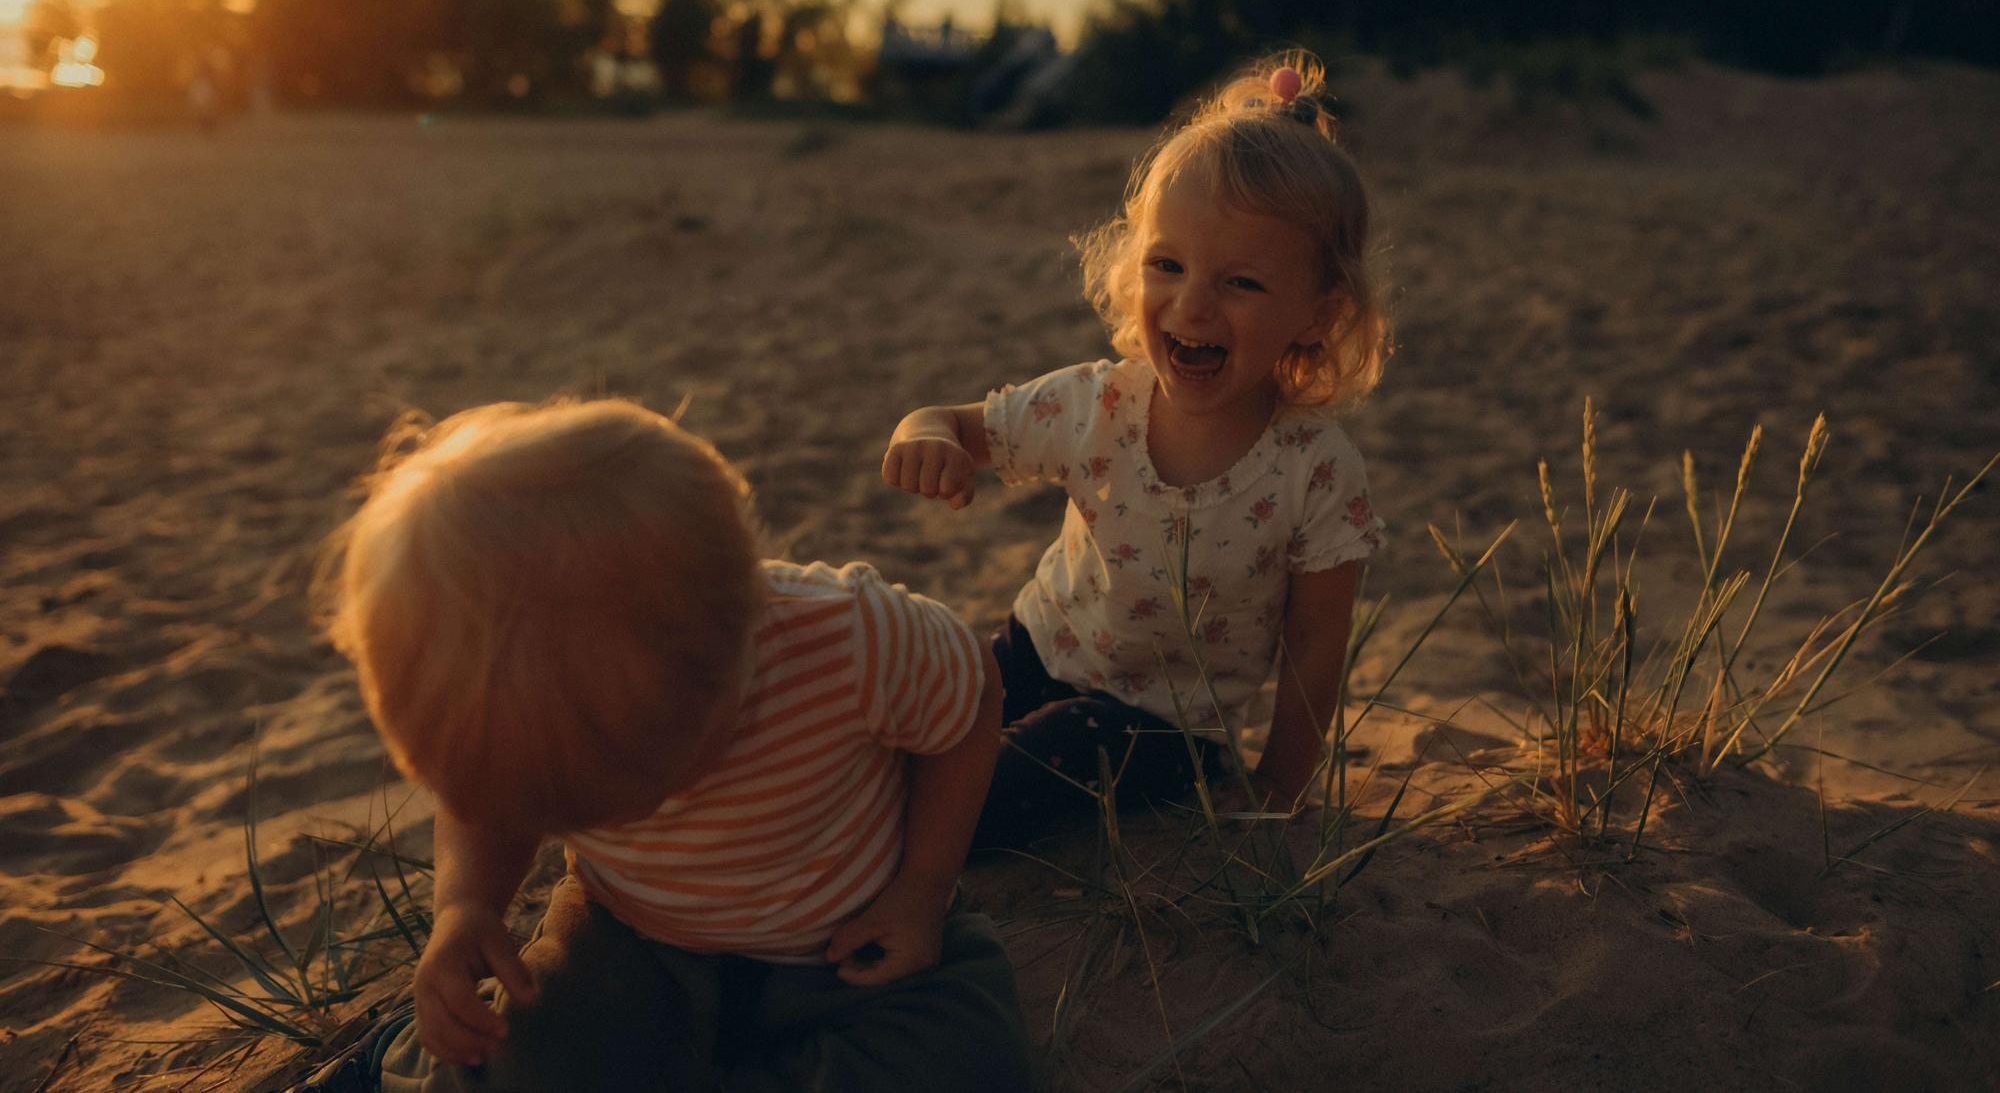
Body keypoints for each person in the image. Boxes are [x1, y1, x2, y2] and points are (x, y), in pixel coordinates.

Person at [310, 399, 1031, 1092]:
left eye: (643, 787)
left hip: (853, 939)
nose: (628, 818)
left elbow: (971, 700)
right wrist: (465, 904)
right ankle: (394, 1060)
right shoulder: (521, 724)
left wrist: (922, 888)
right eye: (574, 810)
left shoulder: (851, 640)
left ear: (741, 645)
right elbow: (489, 800)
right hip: (631, 940)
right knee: (530, 1057)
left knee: (968, 1056)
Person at [882, 53, 1389, 849]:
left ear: (1318, 315)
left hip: (1163, 729)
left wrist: (1281, 786)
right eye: (1168, 265)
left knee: (1002, 779)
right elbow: (949, 421)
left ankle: (874, 848)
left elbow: (1315, 650)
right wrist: (926, 438)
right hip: (1034, 646)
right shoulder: (1100, 401)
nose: (1192, 303)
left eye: (1242, 283)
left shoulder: (1315, 470)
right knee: (924, 706)